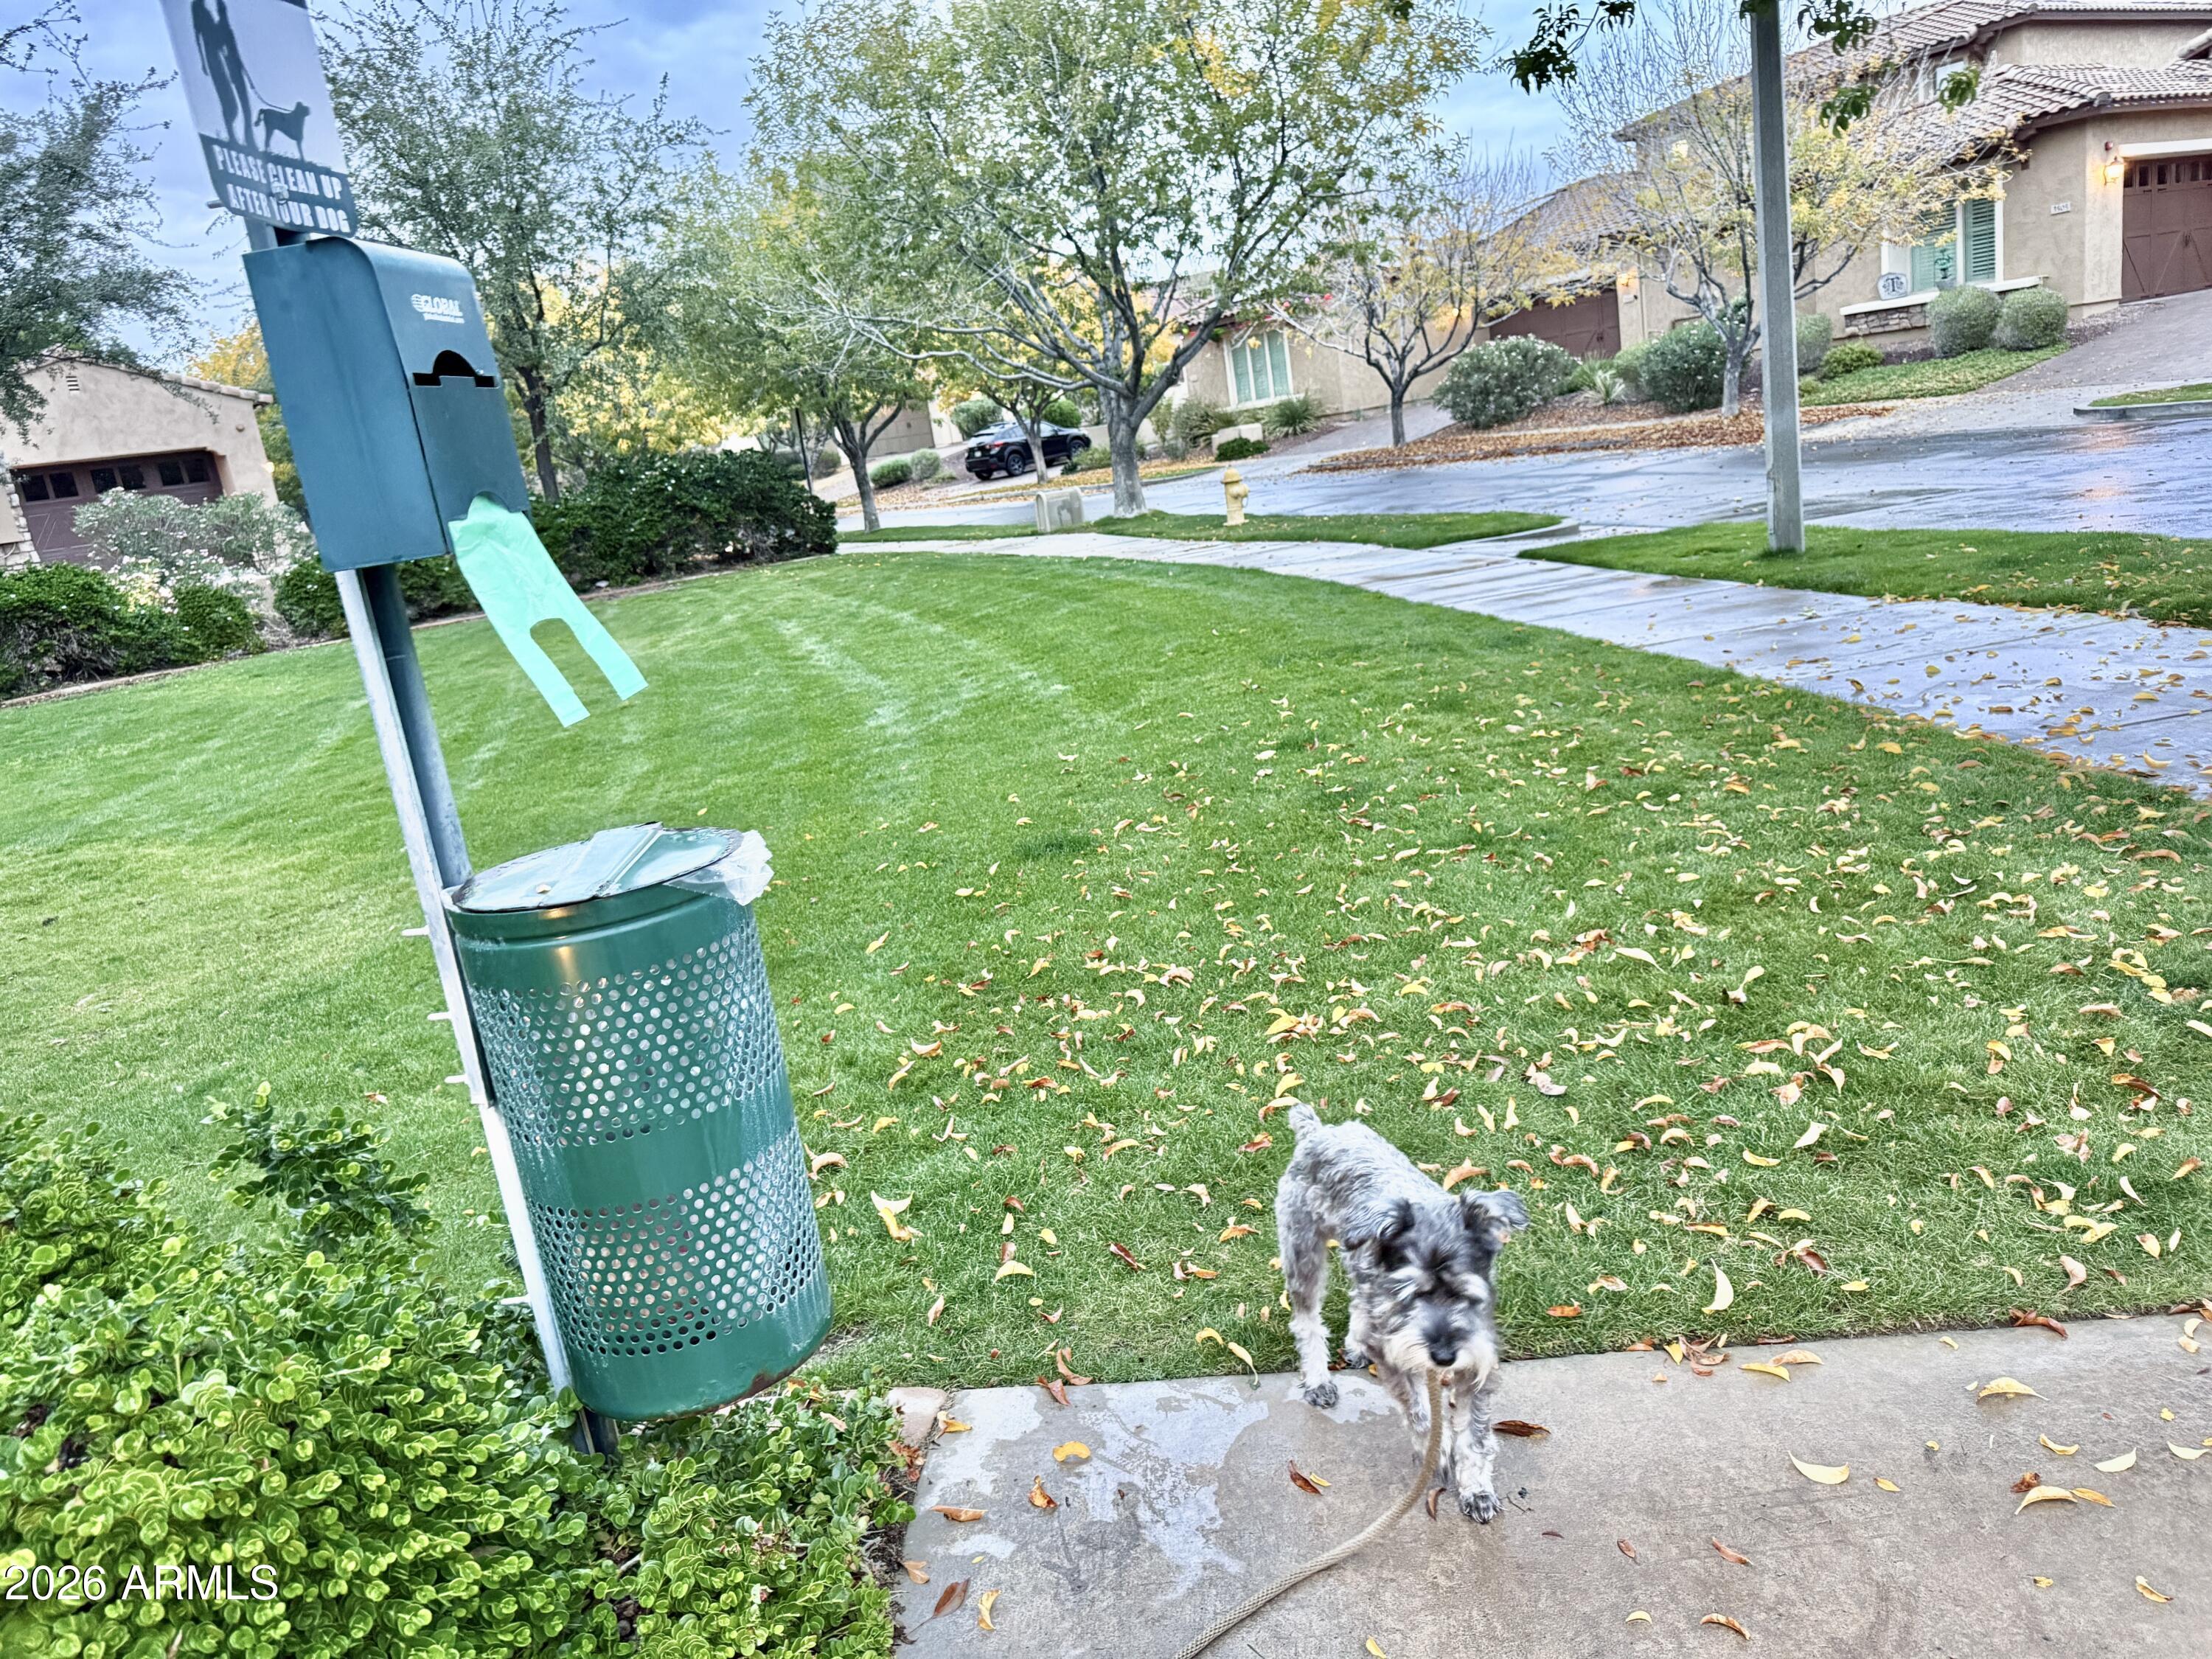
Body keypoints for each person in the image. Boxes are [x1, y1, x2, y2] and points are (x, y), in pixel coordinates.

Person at [192, 0, 253, 146]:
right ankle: (232, 135)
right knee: (230, 104)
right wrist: (203, 62)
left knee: (241, 103)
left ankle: (246, 136)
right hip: (216, 61)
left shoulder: (218, 20)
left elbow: (226, 41)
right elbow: (198, 36)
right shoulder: (199, 10)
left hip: (227, 60)